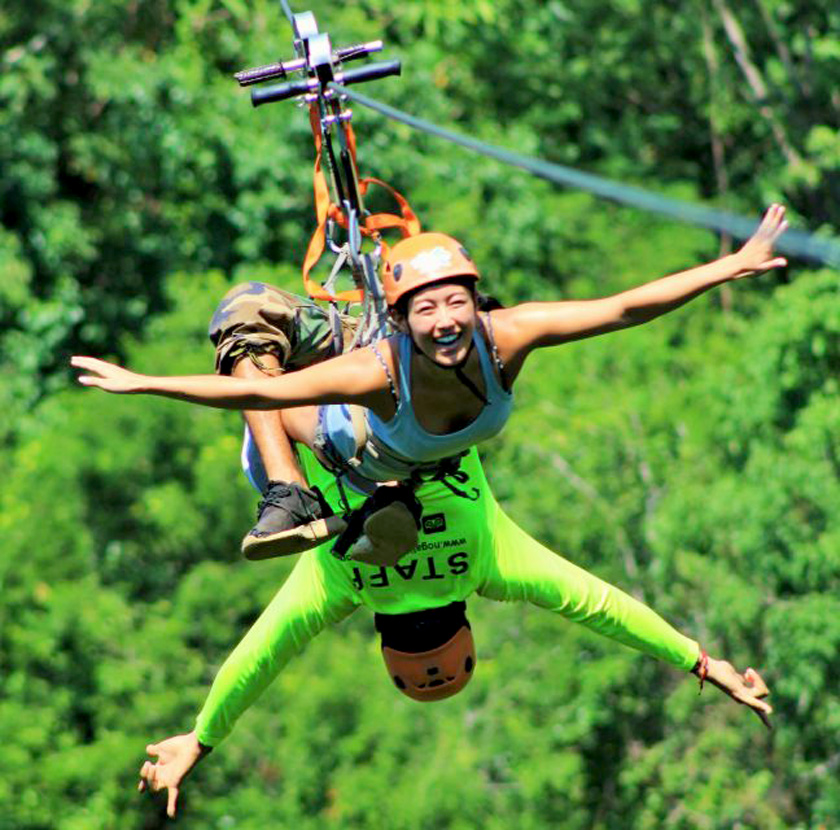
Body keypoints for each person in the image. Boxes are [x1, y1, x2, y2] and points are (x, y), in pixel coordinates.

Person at [71, 204, 789, 563]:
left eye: (456, 303)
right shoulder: (378, 364)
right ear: (402, 318)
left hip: (353, 446)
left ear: (478, 303)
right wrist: (144, 384)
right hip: (396, 422)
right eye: (426, 308)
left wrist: (732, 264)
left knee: (264, 354)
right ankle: (312, 500)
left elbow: (624, 307)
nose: (446, 321)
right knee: (252, 312)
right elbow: (250, 393)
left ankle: (300, 491)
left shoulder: (504, 337)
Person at [134, 448, 772, 818]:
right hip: (324, 406)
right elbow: (256, 659)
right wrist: (202, 739)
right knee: (260, 460)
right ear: (382, 643)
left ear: (466, 623)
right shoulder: (340, 584)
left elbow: (601, 605)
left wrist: (700, 662)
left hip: (430, 396)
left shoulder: (490, 564)